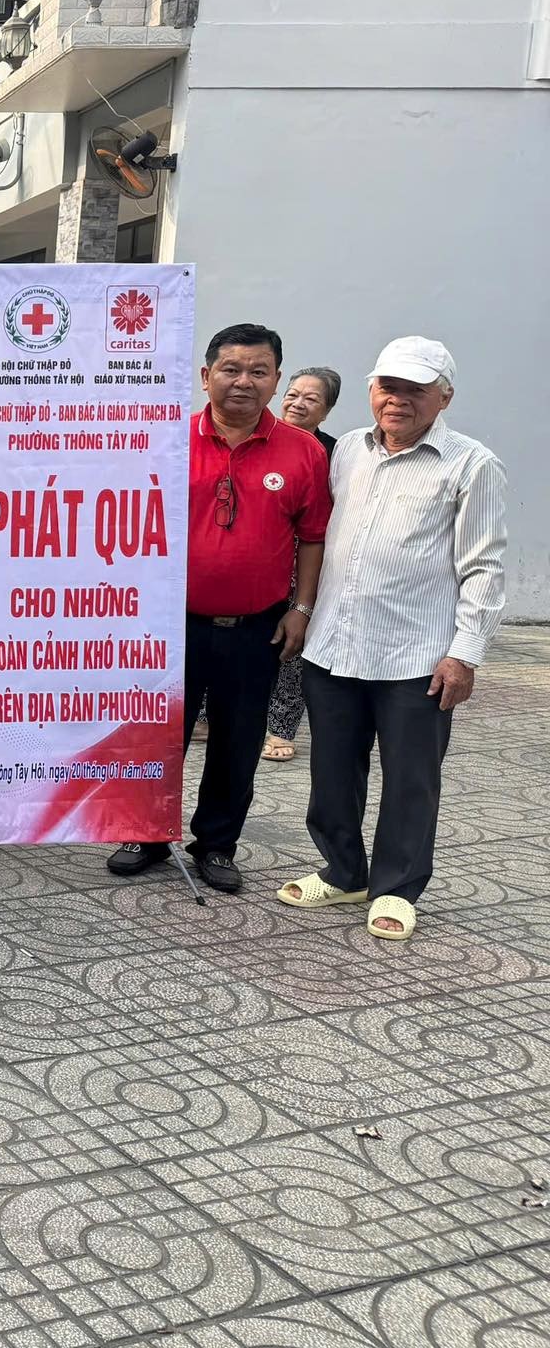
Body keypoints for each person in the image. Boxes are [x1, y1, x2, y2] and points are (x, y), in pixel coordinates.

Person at [280, 337, 507, 942]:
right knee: (332, 771)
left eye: (415, 390)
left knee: (411, 779)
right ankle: (343, 871)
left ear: (444, 397)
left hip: (417, 657)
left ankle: (397, 888)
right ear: (371, 389)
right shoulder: (348, 449)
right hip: (334, 645)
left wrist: (465, 652)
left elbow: (484, 568)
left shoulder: (470, 464)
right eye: (388, 386)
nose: (398, 399)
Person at [107, 323, 330, 895]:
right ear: (206, 377)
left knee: (237, 741)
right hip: (169, 623)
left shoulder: (304, 451)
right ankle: (144, 834)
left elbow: (313, 536)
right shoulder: (167, 440)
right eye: (231, 369)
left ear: (276, 380)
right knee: (155, 733)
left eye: (259, 371)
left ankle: (216, 845)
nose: (244, 381)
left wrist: (302, 607)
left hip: (256, 627)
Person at [263, 367, 343, 762]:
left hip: (308, 559)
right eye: (293, 394)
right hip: (261, 556)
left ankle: (280, 727)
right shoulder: (262, 437)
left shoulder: (335, 454)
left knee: (293, 639)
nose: (298, 403)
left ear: (327, 410)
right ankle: (208, 717)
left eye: (311, 399)